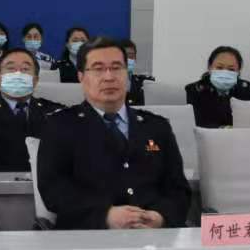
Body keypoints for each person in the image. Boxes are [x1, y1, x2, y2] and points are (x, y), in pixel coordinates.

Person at [37, 36, 190, 230]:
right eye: (98, 69)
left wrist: (160, 217)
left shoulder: (157, 126)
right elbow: (53, 191)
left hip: (153, 236)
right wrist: (106, 216)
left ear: (127, 74)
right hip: (88, 235)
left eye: (117, 68)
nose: (109, 77)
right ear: (81, 77)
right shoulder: (60, 125)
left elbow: (178, 190)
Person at [0, 47, 65, 171]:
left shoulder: (57, 113)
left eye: (25, 69)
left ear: (35, 80)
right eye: (10, 68)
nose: (18, 74)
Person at [185, 46, 250, 129]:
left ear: (238, 71)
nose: (225, 72)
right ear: (210, 68)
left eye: (231, 69)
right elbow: (198, 123)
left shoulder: (249, 90)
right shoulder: (195, 90)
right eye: (219, 68)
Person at [123, 40, 151, 106]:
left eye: (131, 56)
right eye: (125, 56)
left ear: (135, 58)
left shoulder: (144, 81)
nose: (128, 59)